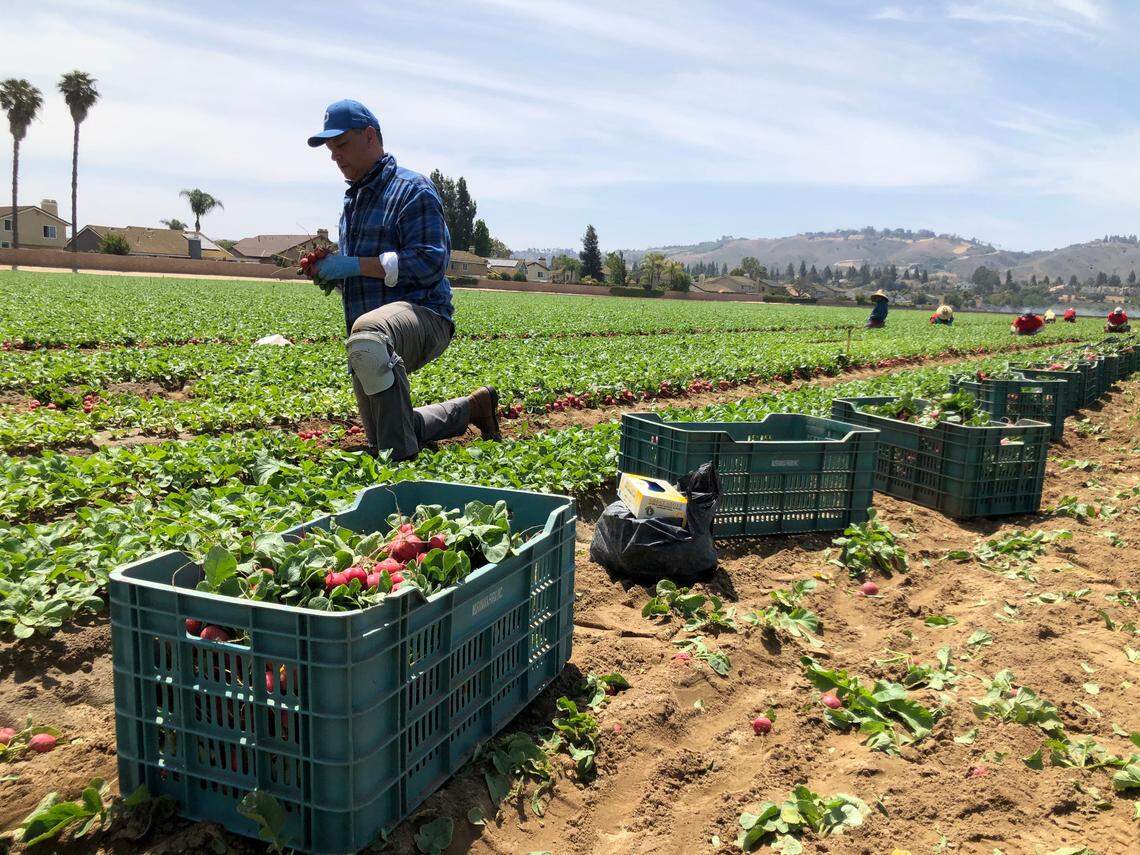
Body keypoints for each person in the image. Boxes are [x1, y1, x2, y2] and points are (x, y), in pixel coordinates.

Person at [302, 99, 500, 461]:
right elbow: (366, 273)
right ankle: (472, 409)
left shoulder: (412, 190)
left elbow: (429, 262)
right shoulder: (353, 202)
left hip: (425, 316)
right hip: (373, 332)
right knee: (384, 430)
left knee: (368, 342)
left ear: (370, 136)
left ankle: (401, 471)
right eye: (330, 150)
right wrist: (331, 272)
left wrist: (353, 265)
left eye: (341, 145)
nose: (335, 157)